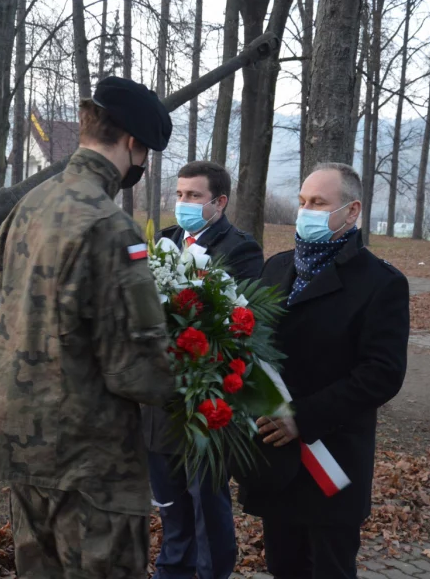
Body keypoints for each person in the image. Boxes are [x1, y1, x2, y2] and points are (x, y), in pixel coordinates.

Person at [0, 76, 176, 579]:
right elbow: (135, 369)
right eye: (145, 153)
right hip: (90, 460)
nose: (143, 165)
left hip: (22, 441)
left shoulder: (29, 206)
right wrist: (201, 383)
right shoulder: (111, 227)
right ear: (132, 143)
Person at [241, 162, 409, 579]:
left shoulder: (380, 282)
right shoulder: (277, 268)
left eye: (318, 203)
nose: (305, 211)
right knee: (283, 566)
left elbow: (382, 373)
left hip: (331, 457)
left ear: (351, 212)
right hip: (276, 457)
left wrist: (305, 417)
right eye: (301, 202)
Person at [143, 161, 263, 579]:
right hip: (160, 405)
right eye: (179, 195)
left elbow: (234, 324)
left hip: (206, 403)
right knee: (171, 512)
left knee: (207, 512)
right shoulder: (163, 242)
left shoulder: (241, 249)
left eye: (194, 196)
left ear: (219, 202)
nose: (183, 203)